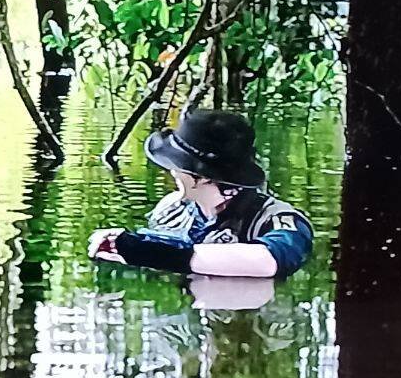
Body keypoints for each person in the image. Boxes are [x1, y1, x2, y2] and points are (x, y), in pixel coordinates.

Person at [88, 110, 314, 279]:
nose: (172, 171)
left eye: (177, 165)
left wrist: (151, 253)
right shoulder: (171, 209)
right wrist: (127, 245)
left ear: (203, 177)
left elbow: (270, 260)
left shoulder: (275, 219)